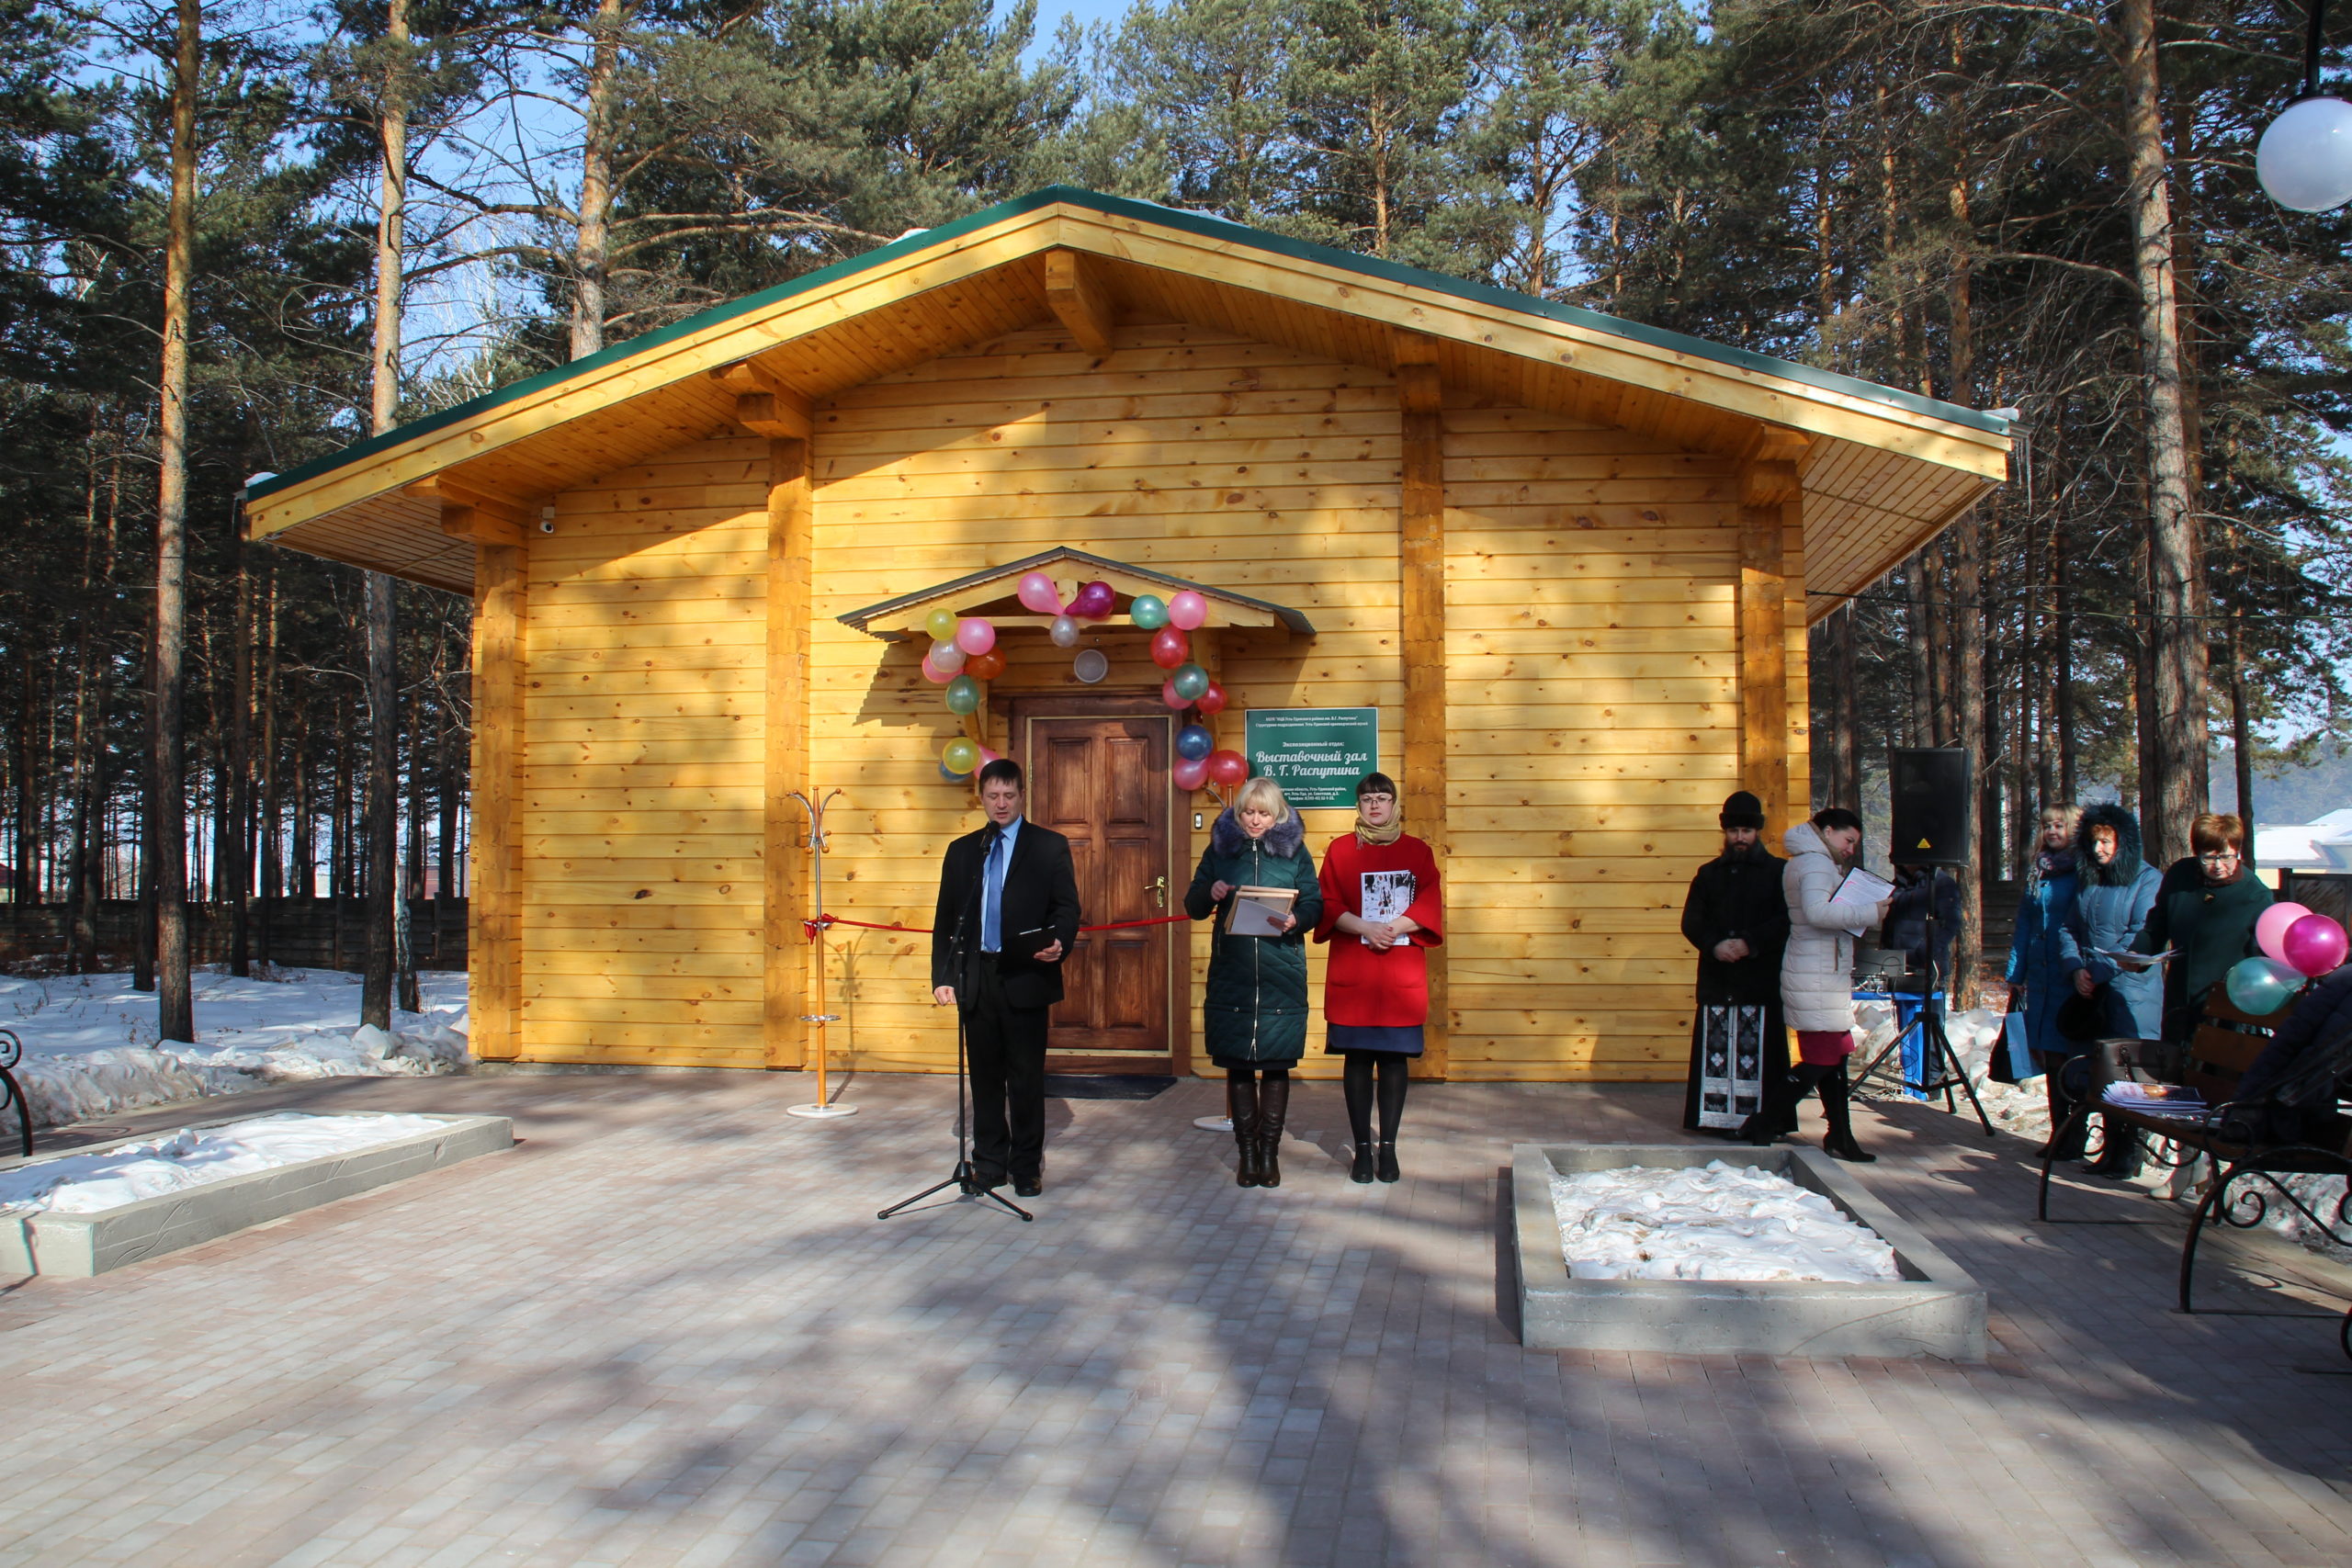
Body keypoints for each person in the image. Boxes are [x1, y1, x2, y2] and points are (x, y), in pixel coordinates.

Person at [929, 759, 1081, 1199]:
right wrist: (943, 975)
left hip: (1026, 973)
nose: (1001, 804)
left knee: (1026, 1077)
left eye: (1009, 796)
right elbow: (946, 918)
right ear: (981, 798)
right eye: (993, 796)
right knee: (985, 1077)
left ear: (1021, 797)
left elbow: (1067, 907)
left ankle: (1026, 1166)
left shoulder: (1048, 846)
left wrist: (1060, 942)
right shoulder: (964, 850)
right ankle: (989, 1162)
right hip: (977, 976)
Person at [2102, 812, 2273, 1177]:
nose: (2218, 865)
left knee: (2214, 1087)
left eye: (2226, 856)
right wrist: (2138, 954)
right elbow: (2157, 924)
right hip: (2181, 999)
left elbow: (2262, 958)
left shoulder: (2256, 896)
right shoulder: (2180, 876)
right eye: (2209, 857)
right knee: (2180, 1080)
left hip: (2225, 1010)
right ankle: (2186, 1165)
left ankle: (2211, 1170)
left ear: (2239, 853)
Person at [1185, 776, 1323, 1188]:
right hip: (1234, 973)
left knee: (1277, 1064)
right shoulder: (1220, 850)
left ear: (1277, 815)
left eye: (1264, 813)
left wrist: (1298, 919)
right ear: (1239, 813)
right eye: (1249, 812)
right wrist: (1210, 892)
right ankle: (1247, 1154)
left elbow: (1315, 901)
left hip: (1282, 972)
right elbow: (1193, 904)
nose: (1256, 820)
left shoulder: (1296, 852)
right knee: (1239, 1064)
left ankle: (1269, 1154)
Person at [1315, 772, 1442, 1183]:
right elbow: (1327, 901)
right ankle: (1362, 1151)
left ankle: (1388, 1148)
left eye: (1382, 798)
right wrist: (1365, 928)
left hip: (1398, 976)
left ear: (1394, 804)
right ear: (1358, 805)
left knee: (1392, 1061)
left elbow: (1430, 899)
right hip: (1355, 971)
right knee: (1356, 1060)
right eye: (1367, 799)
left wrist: (1395, 926)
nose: (1375, 805)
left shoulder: (1418, 851)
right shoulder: (1339, 850)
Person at [1745, 807, 1892, 1161]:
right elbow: (1817, 912)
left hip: (1819, 971)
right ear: (1827, 832)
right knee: (1822, 1059)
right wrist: (1871, 912)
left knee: (1834, 1057)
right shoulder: (1815, 864)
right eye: (1848, 840)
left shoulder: (1812, 861)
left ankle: (1840, 1135)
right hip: (1816, 974)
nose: (1850, 849)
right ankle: (1763, 1122)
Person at [2050, 804, 2163, 1159]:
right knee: (2098, 1072)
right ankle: (2107, 1149)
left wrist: (2096, 972)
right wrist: (2075, 968)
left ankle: (2128, 1153)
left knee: (2129, 1074)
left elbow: (2139, 934)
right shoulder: (2091, 881)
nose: (2098, 849)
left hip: (2132, 994)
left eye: (2106, 842)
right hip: (2092, 994)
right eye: (2093, 842)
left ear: (2123, 842)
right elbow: (2069, 928)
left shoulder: (2147, 880)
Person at [1679, 790, 1791, 1134]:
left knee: (1764, 1055)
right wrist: (1715, 945)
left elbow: (1785, 919)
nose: (1740, 838)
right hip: (1719, 978)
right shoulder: (1708, 874)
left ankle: (1763, 1122)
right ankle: (1714, 1120)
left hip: (1759, 978)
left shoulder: (1779, 872)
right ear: (1725, 833)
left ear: (1758, 832)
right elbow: (1692, 921)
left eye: (1746, 831)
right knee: (1716, 1050)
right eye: (1733, 831)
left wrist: (1749, 943)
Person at [2004, 806, 2080, 1073]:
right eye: (2047, 826)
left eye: (2059, 825)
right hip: (2039, 976)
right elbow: (2025, 923)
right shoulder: (2039, 870)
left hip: (2069, 972)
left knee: (2070, 1045)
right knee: (2045, 1051)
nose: (2052, 831)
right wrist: (2016, 973)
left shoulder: (2084, 870)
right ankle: (2056, 1101)